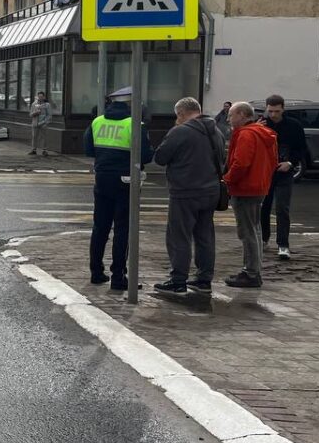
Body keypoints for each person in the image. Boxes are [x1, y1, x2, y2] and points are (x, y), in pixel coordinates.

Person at [152, 97, 226, 296]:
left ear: (181, 113)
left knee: (179, 236)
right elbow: (222, 159)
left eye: (178, 116)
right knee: (205, 236)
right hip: (211, 192)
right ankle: (204, 279)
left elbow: (160, 157)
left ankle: (178, 280)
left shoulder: (180, 131)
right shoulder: (216, 131)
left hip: (185, 191)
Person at [83, 86, 153, 291]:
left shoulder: (97, 121)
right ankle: (118, 277)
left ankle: (96, 272)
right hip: (126, 180)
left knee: (100, 228)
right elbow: (145, 155)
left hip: (102, 178)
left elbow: (88, 150)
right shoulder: (134, 125)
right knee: (123, 229)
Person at [223, 101, 278, 288]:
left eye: (231, 115)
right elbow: (273, 161)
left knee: (247, 231)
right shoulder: (263, 133)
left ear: (242, 115)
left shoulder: (247, 134)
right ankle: (253, 270)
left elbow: (241, 163)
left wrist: (227, 179)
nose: (228, 119)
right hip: (258, 186)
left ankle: (251, 272)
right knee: (254, 230)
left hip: (245, 188)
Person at [260, 94, 307, 261]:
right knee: (263, 207)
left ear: (283, 109)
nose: (273, 115)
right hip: (265, 172)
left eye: (277, 111)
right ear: (266, 108)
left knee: (282, 208)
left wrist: (290, 162)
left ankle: (283, 244)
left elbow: (301, 149)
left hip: (284, 172)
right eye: (270, 111)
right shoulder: (261, 124)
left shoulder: (293, 126)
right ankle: (263, 239)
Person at [29, 91, 51, 156]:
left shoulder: (47, 105)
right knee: (34, 137)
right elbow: (30, 114)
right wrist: (35, 113)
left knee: (44, 137)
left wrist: (45, 122)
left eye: (41, 96)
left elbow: (49, 115)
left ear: (44, 97)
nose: (40, 98)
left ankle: (44, 150)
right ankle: (34, 150)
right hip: (35, 123)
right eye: (39, 96)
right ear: (37, 96)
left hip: (43, 124)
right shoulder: (34, 104)